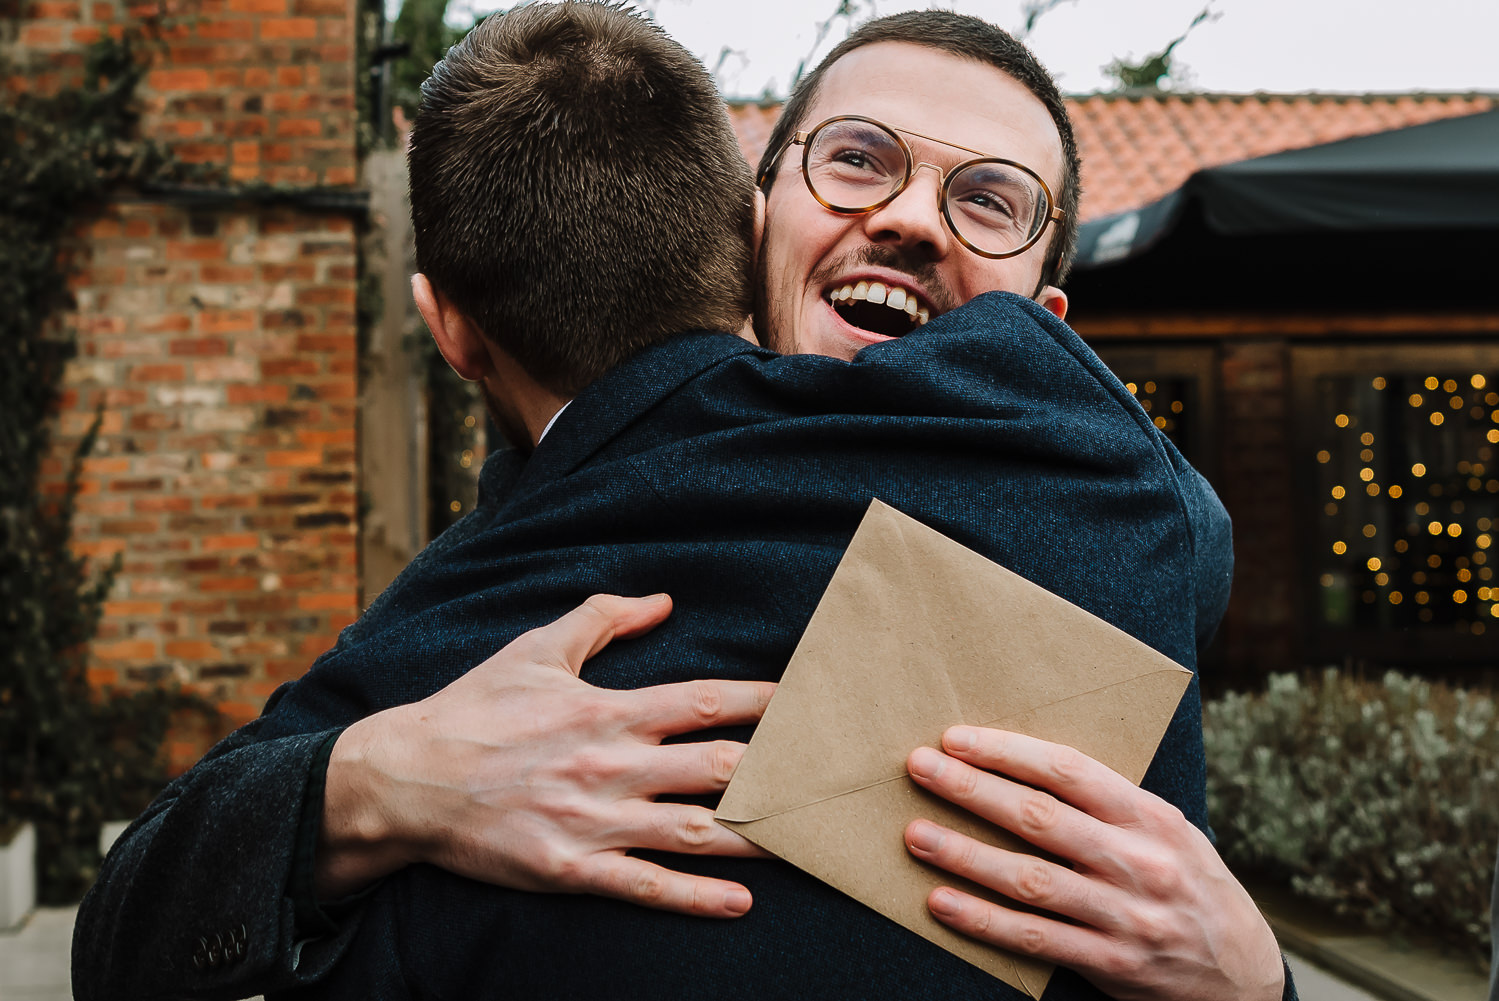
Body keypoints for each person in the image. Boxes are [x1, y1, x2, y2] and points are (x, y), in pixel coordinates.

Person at [72, 5, 1289, 1000]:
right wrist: (380, 781)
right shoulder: (512, 588)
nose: (912, 218)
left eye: (987, 201)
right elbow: (144, 914)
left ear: (1044, 326)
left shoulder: (1114, 567)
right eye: (858, 158)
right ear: (749, 222)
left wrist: (1249, 982)